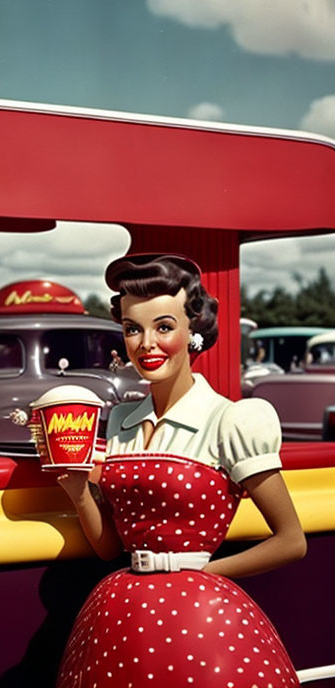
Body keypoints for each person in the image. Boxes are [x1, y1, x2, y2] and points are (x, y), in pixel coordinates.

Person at [55, 254, 306, 688]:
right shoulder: (119, 421)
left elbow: (291, 541)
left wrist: (203, 576)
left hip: (202, 619)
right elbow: (108, 549)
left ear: (193, 332)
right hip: (120, 614)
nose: (146, 343)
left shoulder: (231, 420)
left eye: (164, 327)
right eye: (133, 329)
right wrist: (79, 492)